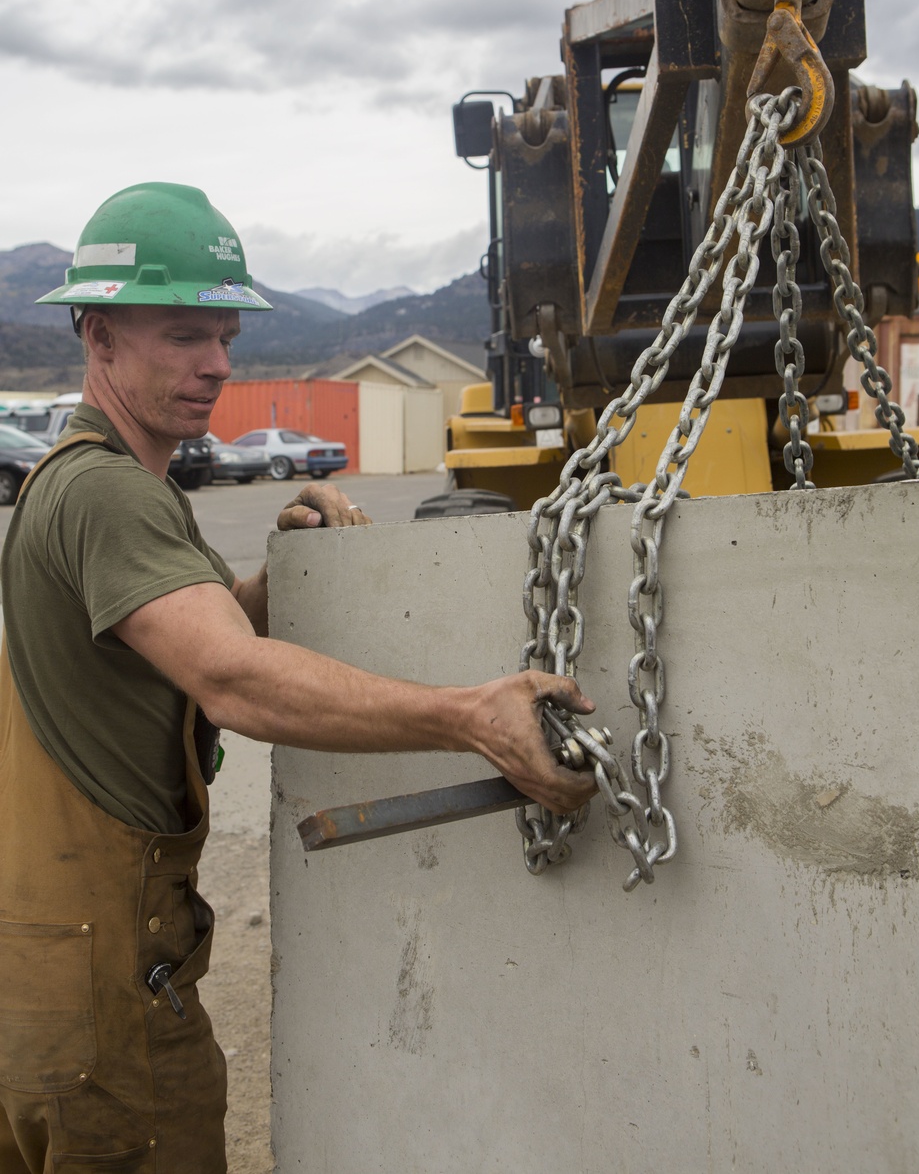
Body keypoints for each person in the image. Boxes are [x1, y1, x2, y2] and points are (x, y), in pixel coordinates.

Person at [0, 182, 595, 1173]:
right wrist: (474, 718)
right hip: (105, 991)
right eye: (185, 335)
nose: (219, 366)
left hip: (40, 972)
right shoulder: (110, 496)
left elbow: (171, 640)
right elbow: (231, 683)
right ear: (98, 336)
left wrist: (273, 581)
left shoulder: (79, 478)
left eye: (226, 336)